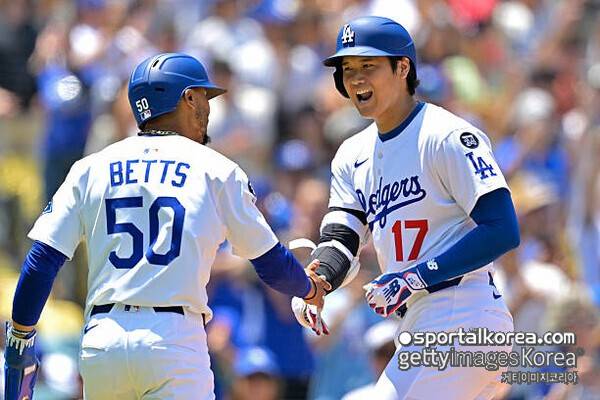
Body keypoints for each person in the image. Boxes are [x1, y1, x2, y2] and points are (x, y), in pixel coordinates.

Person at [3, 52, 329, 400]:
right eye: (204, 96)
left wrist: (21, 337)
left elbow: (41, 261)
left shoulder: (91, 167)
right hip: (172, 338)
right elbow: (270, 263)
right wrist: (309, 288)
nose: (208, 108)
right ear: (188, 99)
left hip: (103, 339)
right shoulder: (217, 169)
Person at [292, 16, 520, 399]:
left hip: (460, 311)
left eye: (368, 66)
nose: (356, 79)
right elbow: (342, 239)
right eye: (348, 70)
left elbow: (502, 229)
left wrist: (414, 277)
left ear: (402, 68)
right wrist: (318, 281)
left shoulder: (446, 134)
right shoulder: (351, 154)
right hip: (422, 321)